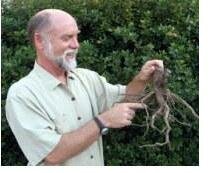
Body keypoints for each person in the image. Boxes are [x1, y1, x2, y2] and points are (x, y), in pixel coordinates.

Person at [5, 9, 163, 166]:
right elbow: (52, 154)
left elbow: (125, 97)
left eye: (76, 36)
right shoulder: (22, 94)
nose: (76, 45)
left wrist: (141, 79)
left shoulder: (87, 77)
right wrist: (104, 121)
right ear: (39, 41)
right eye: (67, 38)